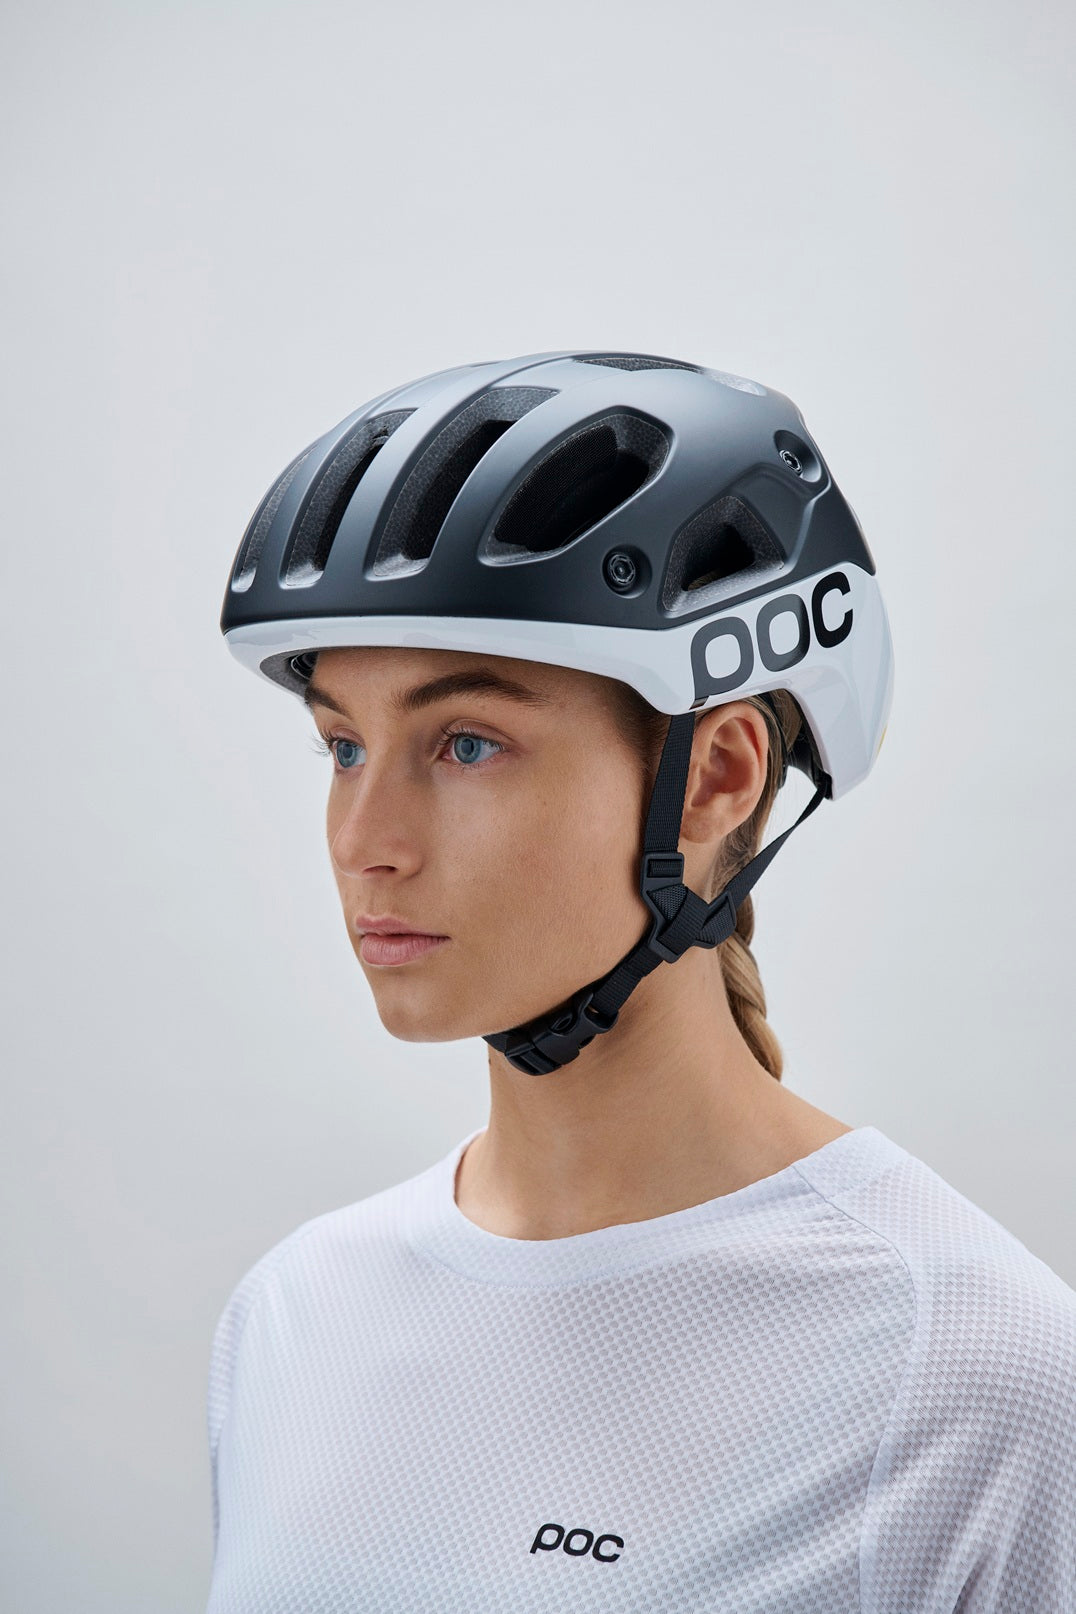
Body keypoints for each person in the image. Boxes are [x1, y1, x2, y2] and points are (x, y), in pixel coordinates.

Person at [205, 351, 1075, 1612]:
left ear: (716, 777)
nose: (364, 840)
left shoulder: (971, 1371)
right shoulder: (293, 1315)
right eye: (342, 745)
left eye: (465, 744)